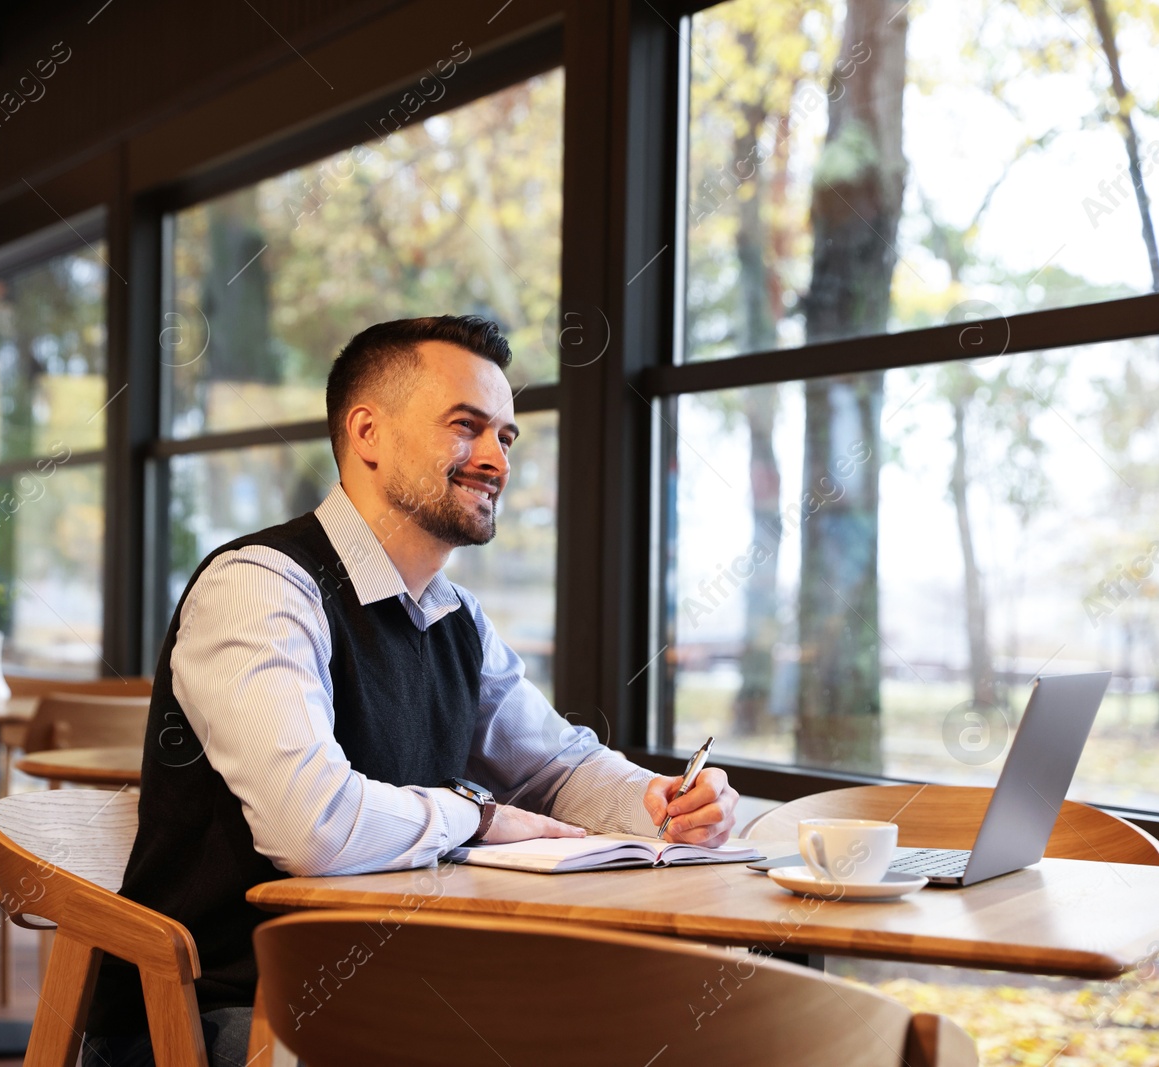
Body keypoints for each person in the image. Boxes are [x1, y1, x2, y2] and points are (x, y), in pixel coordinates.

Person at [83, 315, 739, 1066]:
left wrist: (659, 802)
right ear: (368, 432)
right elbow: (313, 827)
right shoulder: (263, 587)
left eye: (507, 437)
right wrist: (478, 817)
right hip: (214, 1016)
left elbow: (553, 767)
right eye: (468, 427)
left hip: (400, 1000)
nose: (496, 458)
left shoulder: (457, 619)